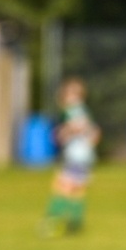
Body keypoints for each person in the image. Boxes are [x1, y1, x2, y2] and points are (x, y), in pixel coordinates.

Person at [42, 78, 100, 236]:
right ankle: (74, 224)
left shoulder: (72, 112)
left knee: (62, 187)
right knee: (77, 190)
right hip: (85, 156)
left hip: (75, 156)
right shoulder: (84, 112)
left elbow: (68, 132)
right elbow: (95, 134)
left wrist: (61, 134)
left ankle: (52, 222)